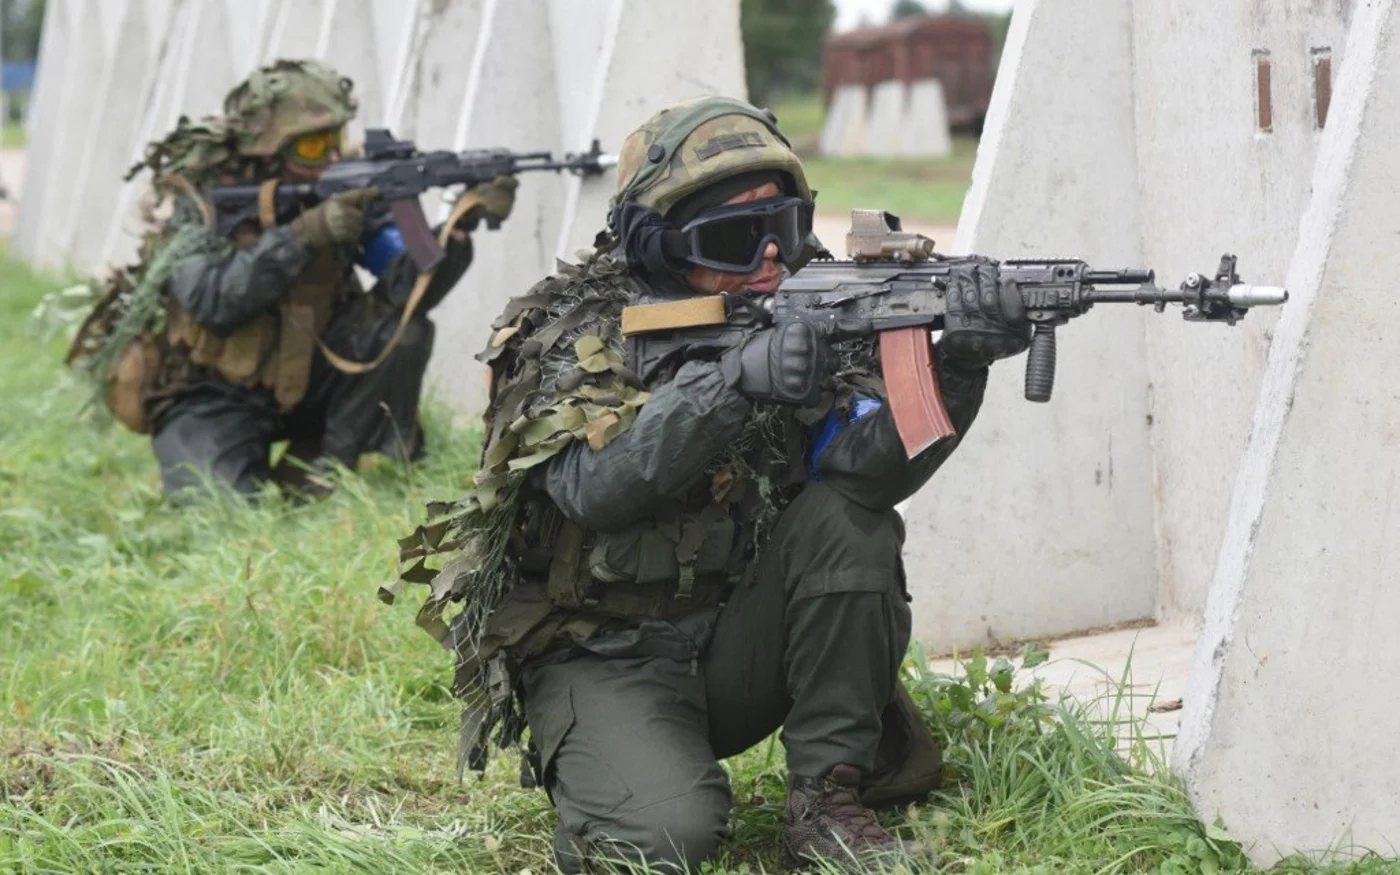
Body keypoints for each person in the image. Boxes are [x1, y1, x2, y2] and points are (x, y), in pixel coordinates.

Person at [395, 96, 1029, 872]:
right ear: (656, 245)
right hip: (604, 652)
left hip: (740, 639)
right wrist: (734, 384)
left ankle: (827, 802)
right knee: (660, 843)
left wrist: (957, 369)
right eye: (733, 239)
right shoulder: (572, 331)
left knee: (848, 517)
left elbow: (868, 476)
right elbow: (595, 488)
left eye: (785, 230)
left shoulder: (806, 308)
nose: (768, 256)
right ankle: (623, 777)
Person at [74, 59, 514, 499]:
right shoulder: (202, 199)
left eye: (335, 140)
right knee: (215, 512)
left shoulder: (349, 186)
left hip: (309, 377)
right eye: (311, 148)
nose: (332, 158)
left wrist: (455, 232)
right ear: (269, 148)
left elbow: (405, 292)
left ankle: (325, 473)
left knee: (403, 331)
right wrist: (302, 235)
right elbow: (212, 304)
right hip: (212, 390)